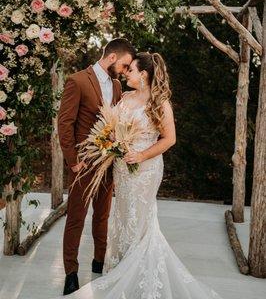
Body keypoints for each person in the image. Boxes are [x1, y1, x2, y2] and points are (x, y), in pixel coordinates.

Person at [53, 52, 223, 298]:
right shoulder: (125, 98)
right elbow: (113, 128)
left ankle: (141, 272)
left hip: (145, 170)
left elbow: (169, 139)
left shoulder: (160, 103)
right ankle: (123, 266)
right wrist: (111, 142)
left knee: (140, 220)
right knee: (122, 217)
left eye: (130, 70)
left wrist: (142, 156)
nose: (125, 73)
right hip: (122, 169)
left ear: (143, 75)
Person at [57, 38, 136, 295]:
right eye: (124, 65)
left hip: (108, 164)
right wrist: (73, 161)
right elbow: (65, 124)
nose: (125, 72)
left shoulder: (115, 86)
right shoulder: (77, 81)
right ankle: (71, 272)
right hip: (83, 164)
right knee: (76, 218)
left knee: (102, 216)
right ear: (112, 57)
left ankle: (99, 262)